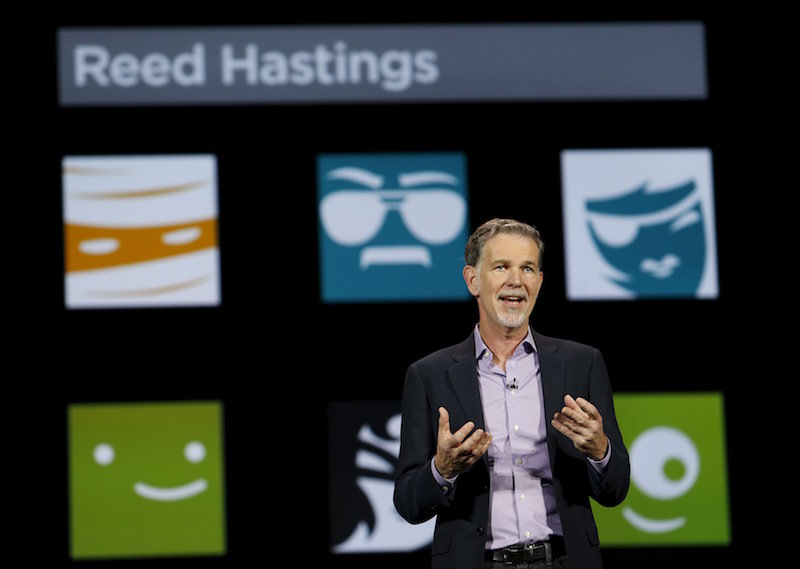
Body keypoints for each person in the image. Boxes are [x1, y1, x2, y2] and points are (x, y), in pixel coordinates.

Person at [393, 218, 629, 569]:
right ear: (473, 280)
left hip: (564, 559)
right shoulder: (429, 375)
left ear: (540, 281)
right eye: (501, 266)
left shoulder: (583, 364)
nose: (516, 281)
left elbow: (616, 489)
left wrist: (600, 452)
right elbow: (409, 504)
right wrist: (442, 470)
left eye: (528, 268)